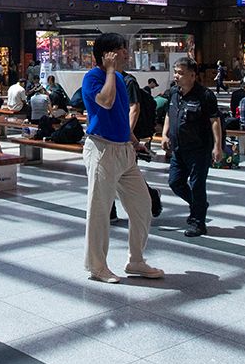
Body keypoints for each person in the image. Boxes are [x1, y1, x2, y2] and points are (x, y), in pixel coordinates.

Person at [80, 32, 163, 284]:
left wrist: (136, 144)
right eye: (122, 50)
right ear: (107, 54)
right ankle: (97, 266)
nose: (127, 54)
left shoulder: (118, 77)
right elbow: (105, 102)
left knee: (142, 204)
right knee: (100, 210)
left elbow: (120, 116)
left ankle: (135, 259)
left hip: (124, 150)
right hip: (102, 150)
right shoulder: (93, 77)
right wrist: (108, 70)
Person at [161, 57, 222, 237]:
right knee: (175, 182)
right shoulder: (173, 93)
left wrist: (217, 146)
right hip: (179, 149)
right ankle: (198, 205)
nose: (176, 76)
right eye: (175, 72)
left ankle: (198, 222)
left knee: (197, 185)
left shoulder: (205, 95)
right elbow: (168, 114)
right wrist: (165, 134)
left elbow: (215, 121)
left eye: (180, 73)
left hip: (199, 149)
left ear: (193, 75)